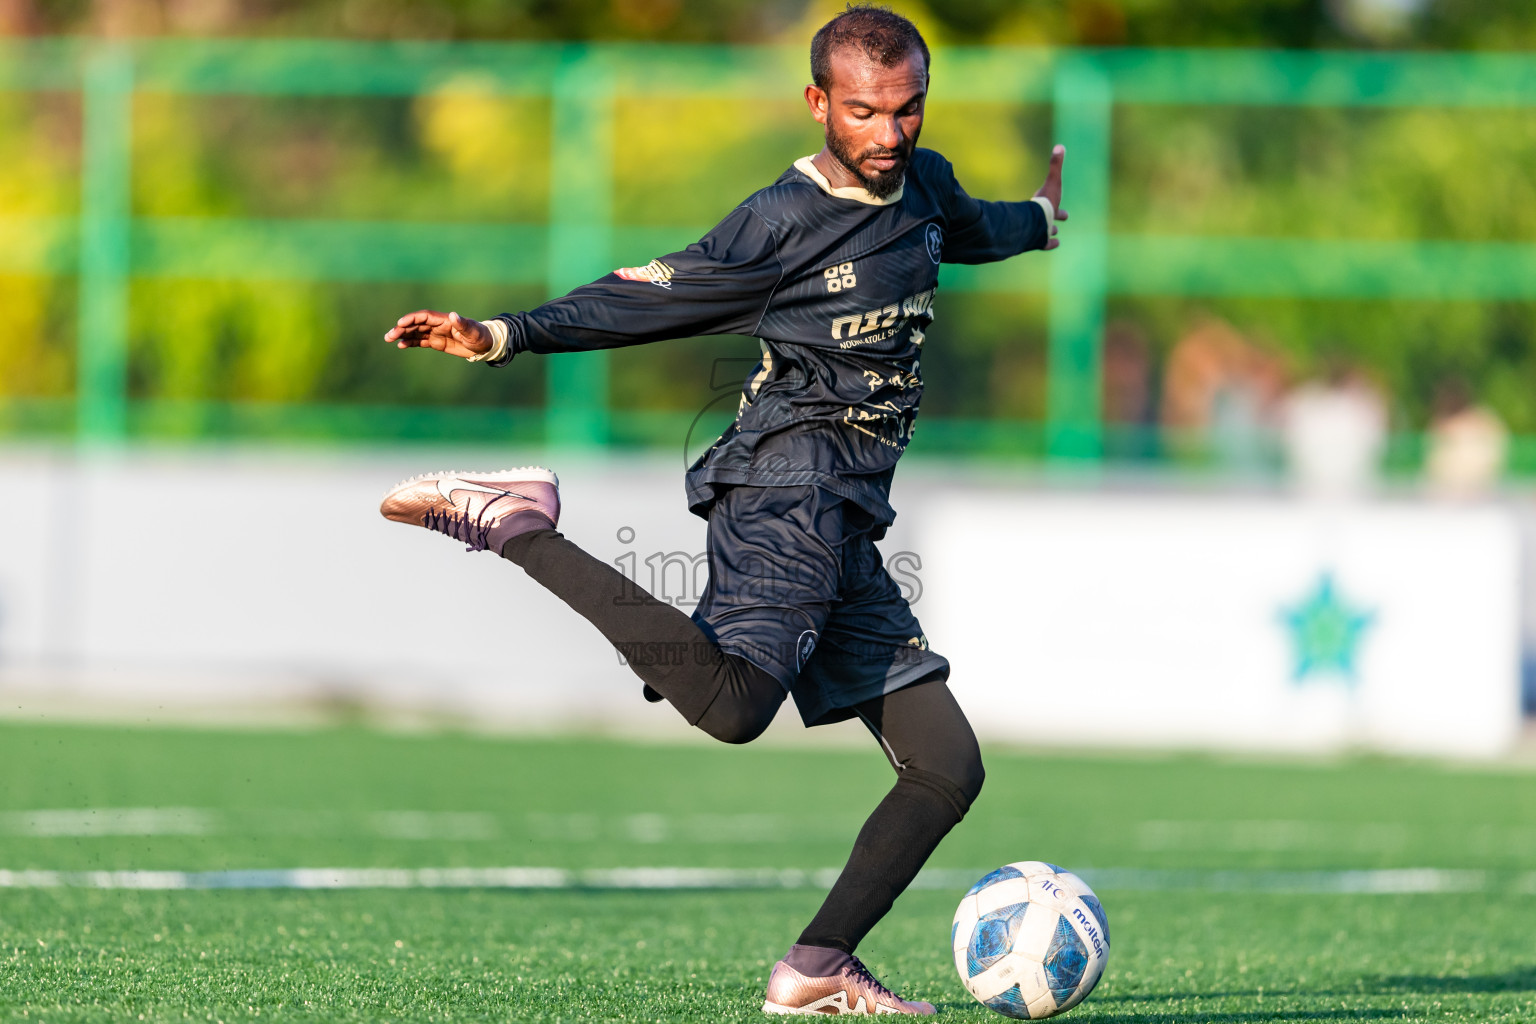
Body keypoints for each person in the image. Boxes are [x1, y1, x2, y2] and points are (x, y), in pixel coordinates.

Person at [380, 4, 1066, 1015]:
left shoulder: (923, 180)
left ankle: (819, 963)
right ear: (818, 101)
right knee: (737, 705)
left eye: (907, 109)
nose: (887, 134)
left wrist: (1042, 221)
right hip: (784, 486)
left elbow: (970, 229)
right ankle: (514, 523)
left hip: (847, 520)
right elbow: (647, 294)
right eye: (865, 111)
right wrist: (502, 334)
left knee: (945, 766)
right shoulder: (778, 221)